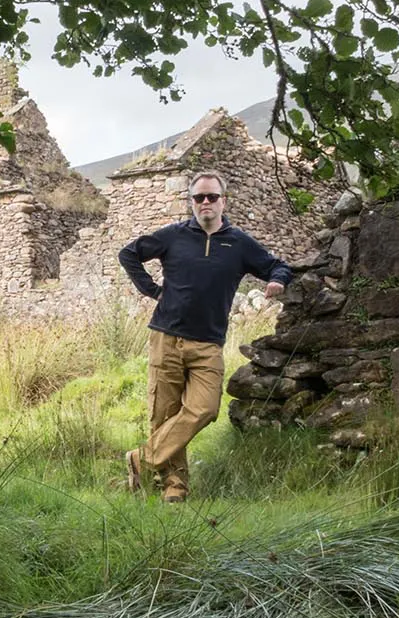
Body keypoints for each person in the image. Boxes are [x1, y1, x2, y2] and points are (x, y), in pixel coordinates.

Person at [117, 172, 290, 504]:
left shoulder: (239, 243)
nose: (206, 203)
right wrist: (153, 291)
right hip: (166, 337)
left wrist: (277, 281)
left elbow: (277, 265)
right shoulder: (172, 236)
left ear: (224, 200)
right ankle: (174, 488)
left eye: (212, 197)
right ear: (191, 202)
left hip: (208, 343)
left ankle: (142, 459)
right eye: (199, 198)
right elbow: (129, 254)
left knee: (205, 409)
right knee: (164, 414)